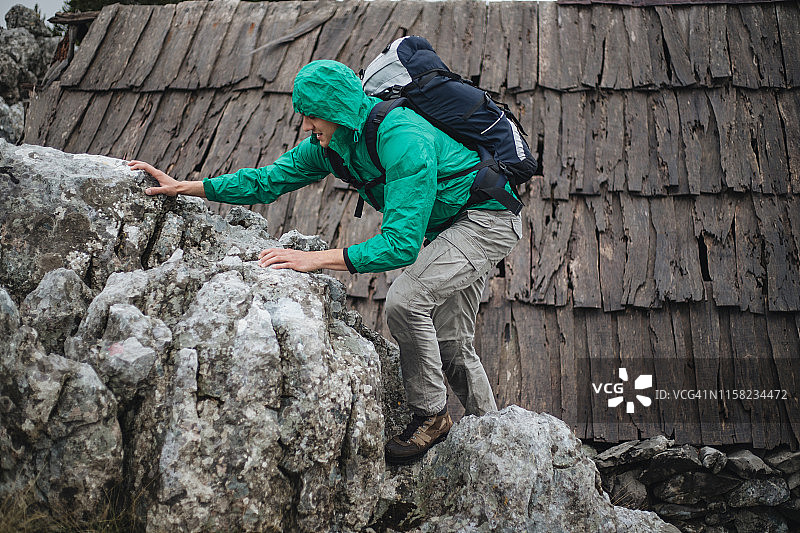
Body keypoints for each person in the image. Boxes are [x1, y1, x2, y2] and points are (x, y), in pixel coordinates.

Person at [129, 60, 522, 465]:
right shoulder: (332, 146)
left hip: (486, 219)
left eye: (312, 115)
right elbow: (268, 181)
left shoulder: (403, 137)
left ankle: (434, 416)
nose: (305, 126)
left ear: (336, 110)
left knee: (406, 302)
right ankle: (493, 435)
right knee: (452, 343)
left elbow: (401, 246)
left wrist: (314, 259)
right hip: (447, 227)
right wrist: (188, 187)